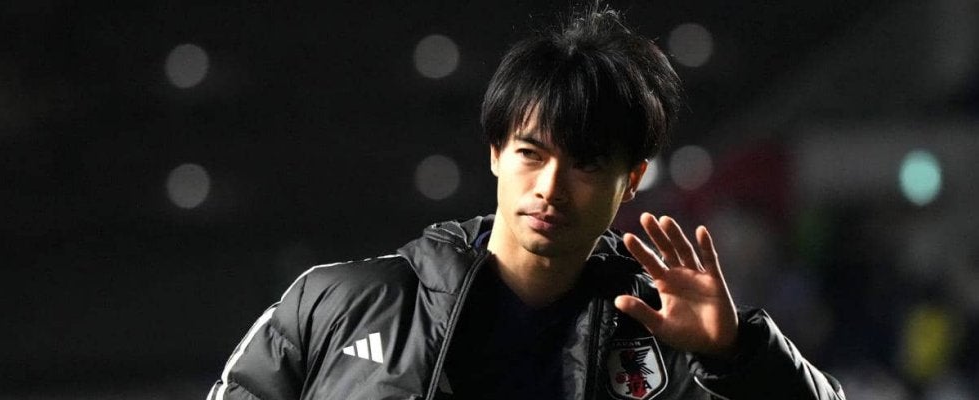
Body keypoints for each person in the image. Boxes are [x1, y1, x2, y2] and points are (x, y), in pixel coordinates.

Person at [207, 7, 845, 400]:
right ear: (496, 153)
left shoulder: (671, 345)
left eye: (587, 163)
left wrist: (737, 353)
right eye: (531, 153)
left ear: (631, 180)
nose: (550, 186)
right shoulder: (338, 304)